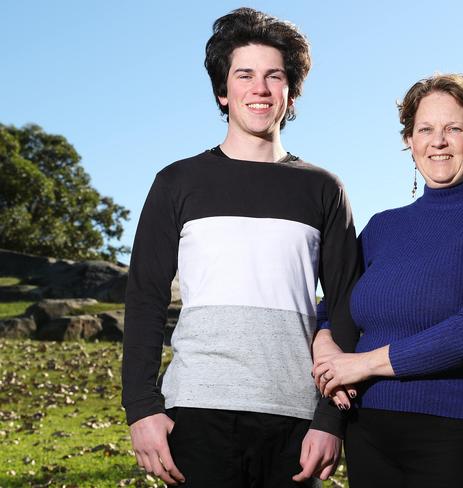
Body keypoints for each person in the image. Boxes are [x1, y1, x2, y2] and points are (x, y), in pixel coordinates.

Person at [121, 8, 359, 487]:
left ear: (290, 93)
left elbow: (348, 306)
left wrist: (330, 420)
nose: (261, 88)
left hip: (294, 419)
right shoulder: (176, 183)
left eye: (275, 76)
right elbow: (145, 298)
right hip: (196, 411)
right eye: (245, 75)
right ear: (222, 92)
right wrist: (141, 408)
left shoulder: (323, 188)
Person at [313, 73, 463, 487]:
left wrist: (360, 364)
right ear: (410, 142)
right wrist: (326, 347)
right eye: (425, 129)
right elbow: (334, 303)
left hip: (457, 428)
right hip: (370, 426)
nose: (438, 141)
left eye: (454, 128)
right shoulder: (382, 227)